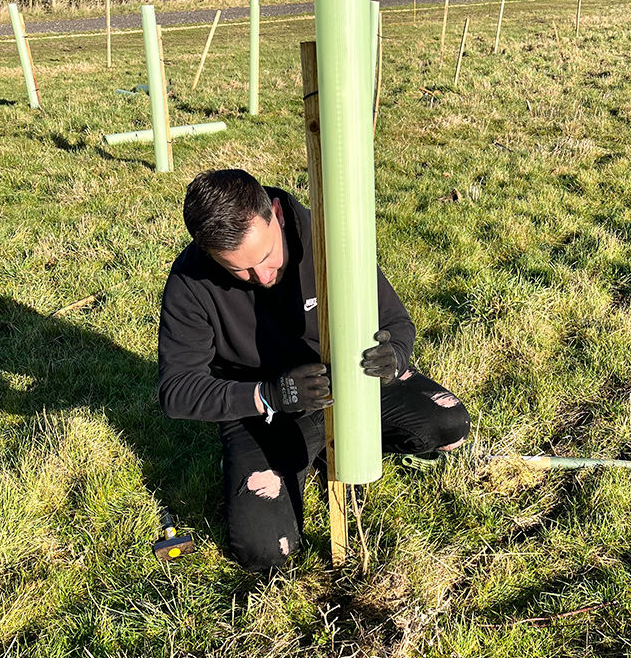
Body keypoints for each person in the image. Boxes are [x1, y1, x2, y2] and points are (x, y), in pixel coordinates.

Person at [157, 169, 470, 570]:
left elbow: (396, 322)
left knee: (447, 424)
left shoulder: (329, 238)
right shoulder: (191, 280)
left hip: (350, 382)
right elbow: (177, 391)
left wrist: (395, 359)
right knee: (268, 553)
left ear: (276, 214)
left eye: (267, 257)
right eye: (239, 270)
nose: (262, 277)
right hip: (263, 410)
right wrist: (267, 395)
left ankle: (321, 453)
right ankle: (285, 456)